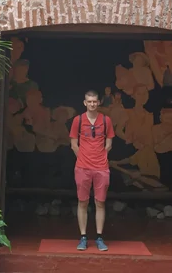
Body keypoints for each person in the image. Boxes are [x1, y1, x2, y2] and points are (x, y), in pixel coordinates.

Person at [69, 89, 115, 252]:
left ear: (99, 102)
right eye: (89, 101)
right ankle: (83, 237)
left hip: (101, 167)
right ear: (85, 103)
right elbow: (74, 144)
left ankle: (99, 237)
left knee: (100, 202)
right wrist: (83, 157)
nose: (92, 104)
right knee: (82, 202)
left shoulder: (106, 120)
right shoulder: (78, 120)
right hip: (82, 167)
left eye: (95, 101)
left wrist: (101, 156)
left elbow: (109, 143)